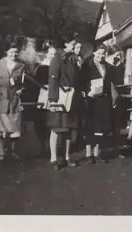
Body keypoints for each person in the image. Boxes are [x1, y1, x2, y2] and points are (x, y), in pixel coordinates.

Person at [46, 34, 84, 170]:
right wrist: (52, 99)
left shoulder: (72, 59)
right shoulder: (57, 58)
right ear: (65, 44)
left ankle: (67, 157)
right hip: (59, 97)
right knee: (56, 128)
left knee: (68, 128)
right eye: (72, 44)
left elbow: (76, 79)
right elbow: (53, 80)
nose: (74, 47)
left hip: (71, 98)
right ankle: (54, 158)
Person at [0, 41, 26, 161]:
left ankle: (13, 151)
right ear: (6, 52)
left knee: (15, 128)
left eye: (16, 52)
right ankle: (1, 153)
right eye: (11, 52)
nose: (14, 54)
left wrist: (21, 90)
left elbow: (24, 83)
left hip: (14, 101)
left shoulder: (21, 66)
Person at [82, 44, 118, 164]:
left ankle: (97, 153)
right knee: (90, 127)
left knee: (100, 128)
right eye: (98, 53)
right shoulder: (87, 66)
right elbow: (82, 83)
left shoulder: (108, 67)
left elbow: (110, 83)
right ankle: (88, 154)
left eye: (103, 53)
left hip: (103, 100)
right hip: (91, 100)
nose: (100, 56)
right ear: (93, 53)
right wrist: (87, 93)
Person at [20, 45, 57, 159]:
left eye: (54, 54)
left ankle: (50, 148)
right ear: (47, 54)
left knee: (49, 122)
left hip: (51, 97)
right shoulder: (42, 67)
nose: (53, 56)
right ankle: (43, 147)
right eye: (51, 53)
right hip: (40, 98)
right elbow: (36, 83)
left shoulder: (56, 66)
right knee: (40, 123)